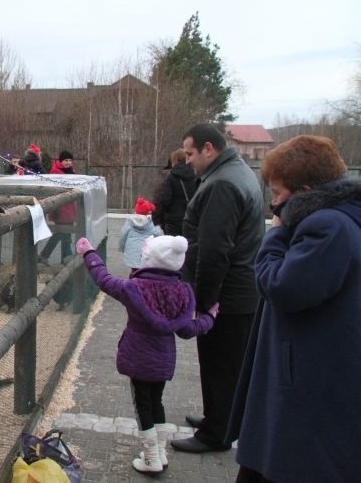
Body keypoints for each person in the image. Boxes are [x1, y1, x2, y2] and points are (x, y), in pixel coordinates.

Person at [226, 135, 361, 482]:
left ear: (302, 192)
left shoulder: (326, 226)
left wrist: (274, 237)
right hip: (316, 375)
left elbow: (283, 287)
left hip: (304, 386)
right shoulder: (343, 220)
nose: (274, 205)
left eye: (277, 194)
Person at [76, 235, 219, 474]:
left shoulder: (133, 288)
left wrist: (89, 253)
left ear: (148, 260)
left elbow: (104, 279)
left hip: (138, 358)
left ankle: (151, 458)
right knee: (156, 401)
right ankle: (160, 453)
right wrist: (209, 318)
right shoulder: (183, 292)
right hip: (163, 362)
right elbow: (187, 330)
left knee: (143, 406)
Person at [170, 124, 264, 454]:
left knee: (220, 364)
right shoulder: (238, 173)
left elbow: (214, 250)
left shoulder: (223, 184)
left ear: (209, 149)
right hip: (239, 290)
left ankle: (217, 433)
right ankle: (220, 418)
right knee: (226, 364)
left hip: (227, 295)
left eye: (191, 153)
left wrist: (204, 302)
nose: (188, 160)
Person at [38, 151, 76, 267]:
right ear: (61, 161)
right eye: (66, 160)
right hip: (60, 209)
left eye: (70, 160)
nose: (68, 163)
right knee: (62, 233)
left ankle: (62, 258)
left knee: (64, 234)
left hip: (69, 208)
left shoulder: (71, 172)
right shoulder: (56, 173)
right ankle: (57, 257)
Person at [154, 149, 197, 235]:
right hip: (192, 217)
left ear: (176, 160)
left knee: (173, 245)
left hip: (174, 219)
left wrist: (160, 215)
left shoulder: (172, 176)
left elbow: (165, 199)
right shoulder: (196, 174)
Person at [119, 197, 163, 276]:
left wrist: (122, 248)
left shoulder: (129, 222)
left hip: (132, 251)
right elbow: (158, 234)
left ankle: (132, 283)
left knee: (134, 270)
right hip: (146, 251)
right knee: (145, 270)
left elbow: (123, 235)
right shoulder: (151, 223)